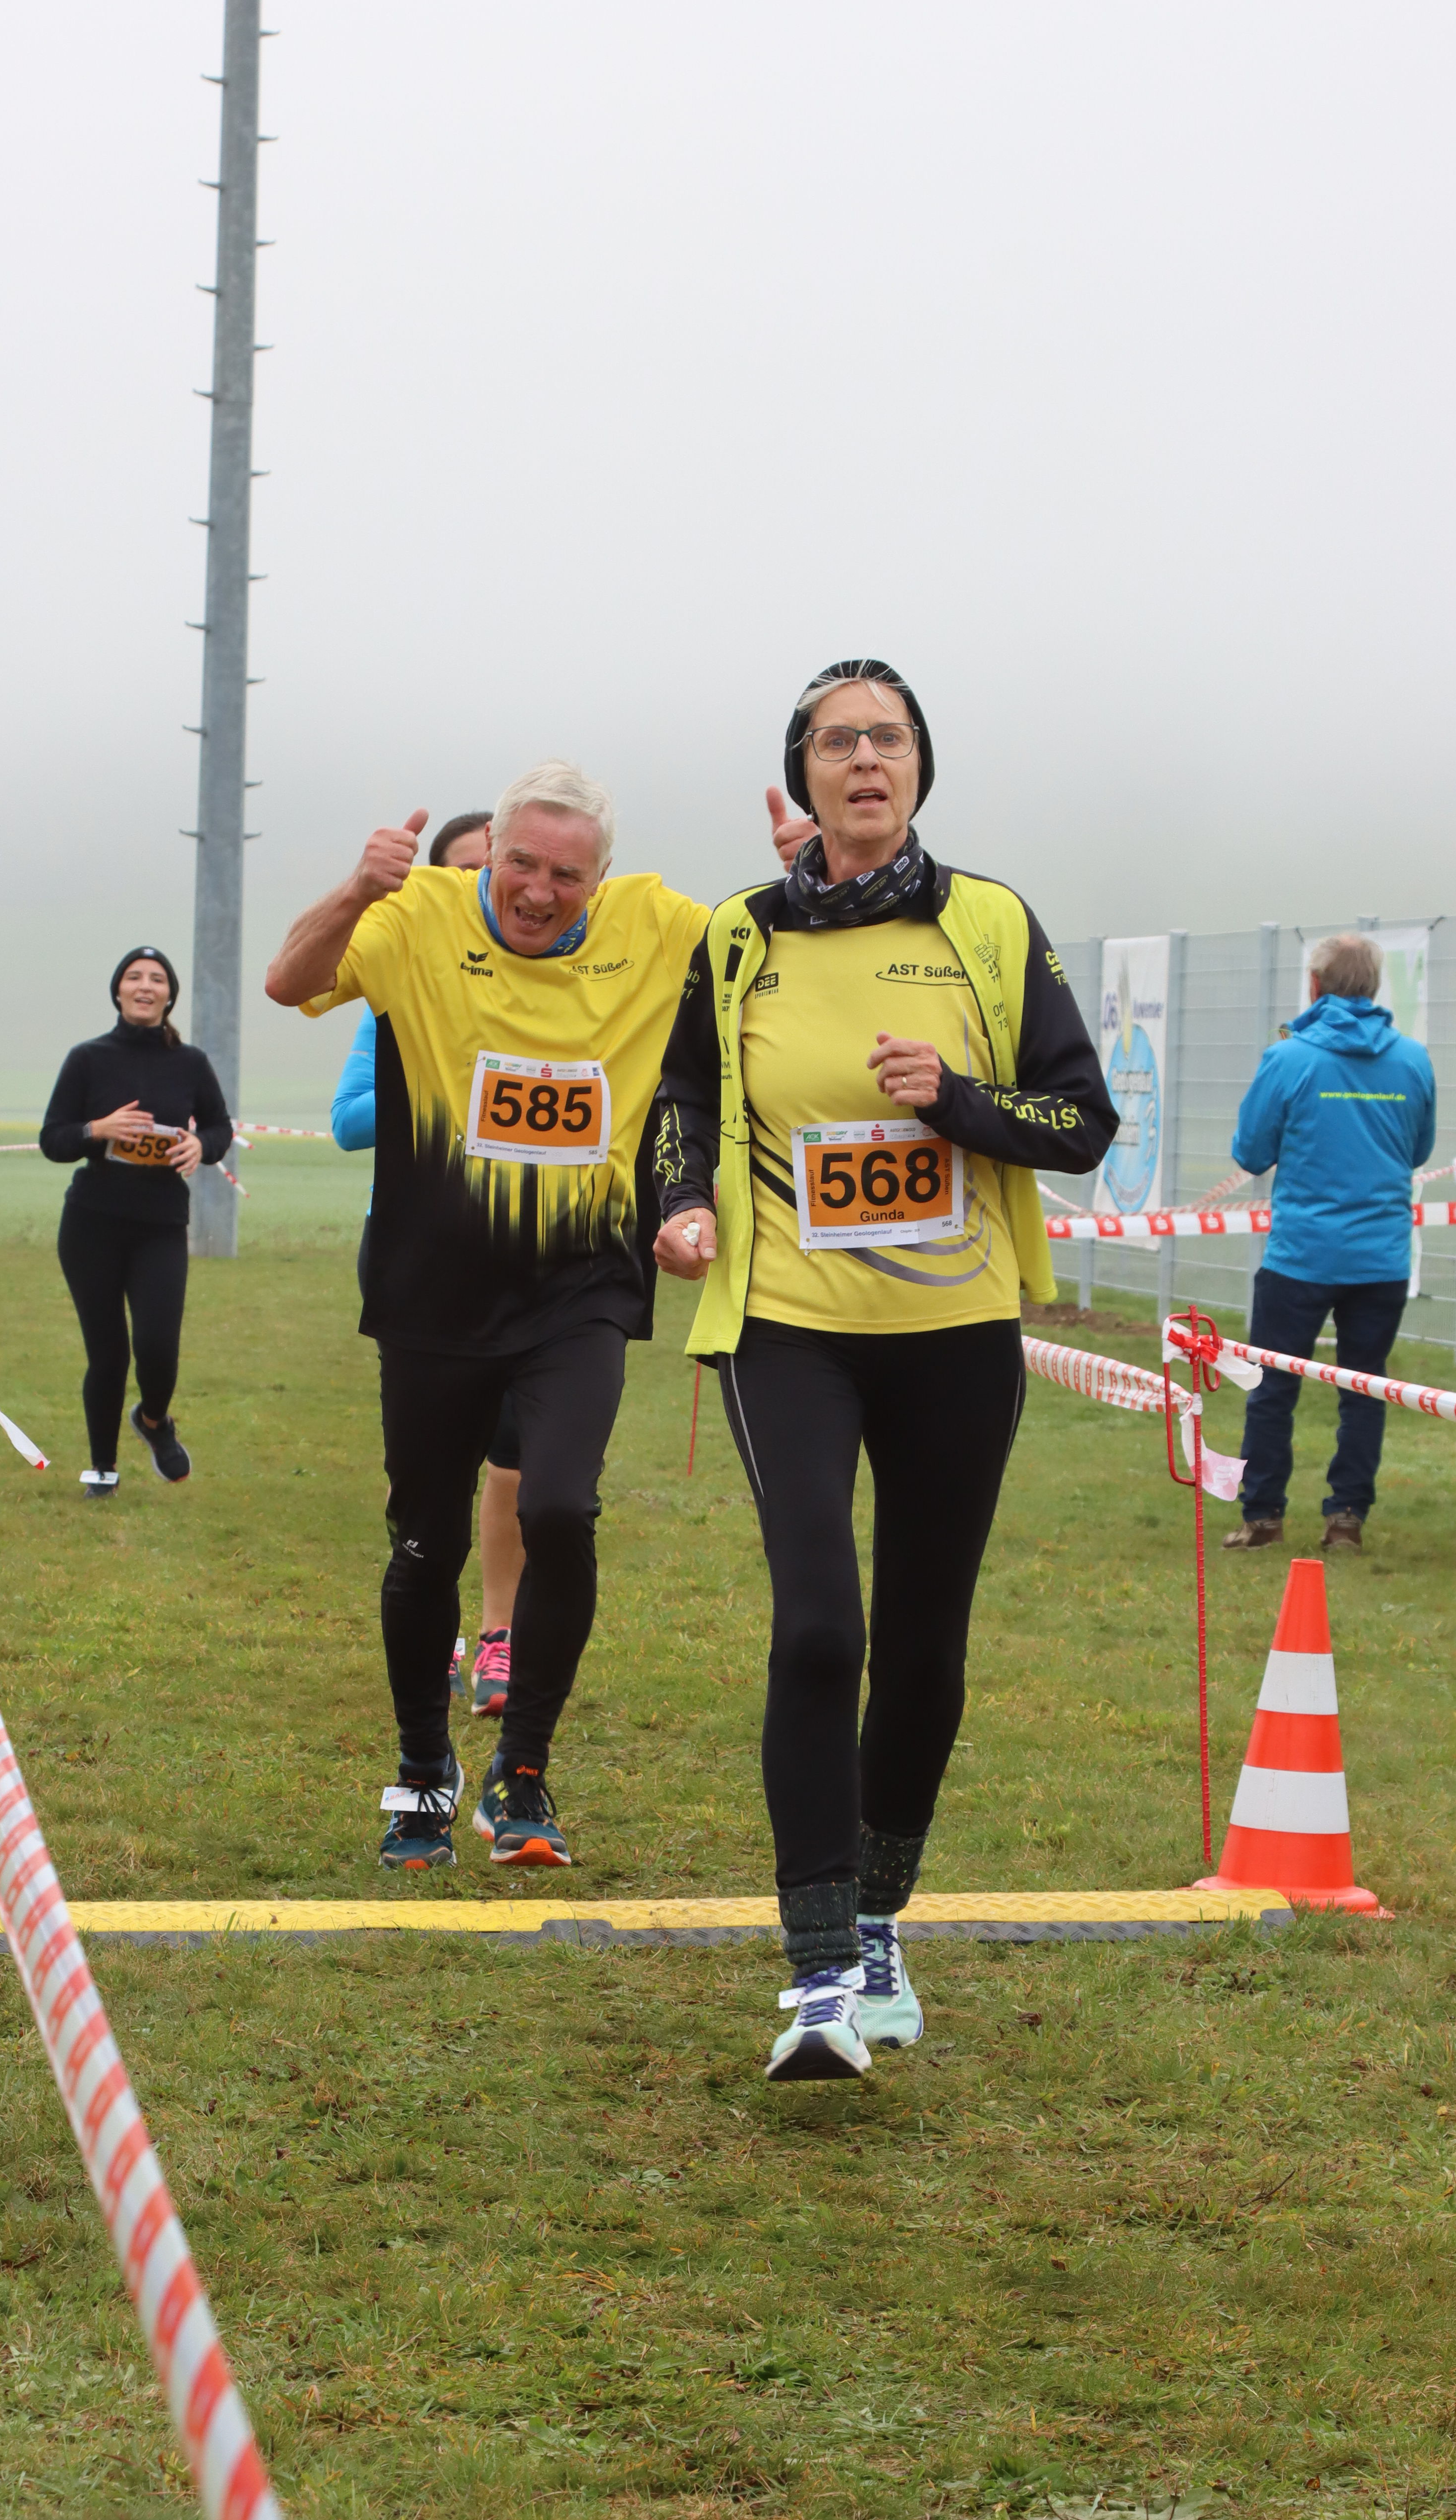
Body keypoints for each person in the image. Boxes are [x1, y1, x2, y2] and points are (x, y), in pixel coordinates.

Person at [653, 659, 1119, 2081]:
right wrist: (679, 1200)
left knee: (922, 1647)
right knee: (818, 1628)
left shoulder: (987, 921)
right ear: (803, 771)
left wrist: (957, 1102)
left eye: (889, 738)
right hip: (787, 1323)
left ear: (919, 767)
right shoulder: (740, 932)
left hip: (955, 1335)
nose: (865, 759)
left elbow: (1083, 1121)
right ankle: (815, 1976)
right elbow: (683, 1095)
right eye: (837, 740)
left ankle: (875, 1918)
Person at [266, 764, 813, 1874]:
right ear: (493, 853)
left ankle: (522, 1769)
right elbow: (289, 982)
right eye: (521, 864)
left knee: (560, 1508)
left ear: (601, 878)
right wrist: (357, 889)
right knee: (425, 1540)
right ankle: (424, 1769)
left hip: (580, 1288)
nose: (538, 890)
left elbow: (777, 974)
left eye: (567, 875)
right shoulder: (416, 915)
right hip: (434, 1292)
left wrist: (814, 885)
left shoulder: (656, 927)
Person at [331, 808, 523, 1720]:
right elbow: (347, 1123)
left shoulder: (557, 988)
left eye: (496, 867)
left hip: (527, 1252)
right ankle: (435, 1624)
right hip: (416, 1253)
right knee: (430, 1468)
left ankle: (498, 1636)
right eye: (462, 870)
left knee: (520, 1462)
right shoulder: (397, 990)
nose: (485, 884)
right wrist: (455, 1086)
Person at [1220, 931, 1437, 1555]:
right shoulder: (1413, 1060)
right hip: (1381, 1256)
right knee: (1365, 1390)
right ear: (1374, 987)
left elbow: (1251, 1153)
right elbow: (1418, 1150)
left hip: (1302, 1256)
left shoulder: (1288, 1059)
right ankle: (1347, 1517)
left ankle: (1263, 1516)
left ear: (1314, 986)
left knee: (1271, 1388)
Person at [40, 947, 234, 1499]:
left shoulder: (190, 1063)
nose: (145, 986)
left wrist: (201, 1145)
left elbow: (219, 1127)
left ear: (170, 996)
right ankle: (103, 1469)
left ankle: (153, 1420)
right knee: (108, 1354)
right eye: (134, 977)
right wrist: (96, 1130)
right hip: (91, 1225)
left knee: (157, 1347)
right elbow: (53, 1139)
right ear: (118, 991)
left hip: (161, 1225)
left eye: (157, 979)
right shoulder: (87, 1059)